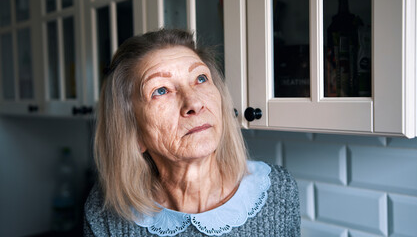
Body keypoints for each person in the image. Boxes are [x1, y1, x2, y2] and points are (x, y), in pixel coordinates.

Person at [84, 29, 300, 236]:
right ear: (133, 131)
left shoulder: (278, 191)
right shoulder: (104, 213)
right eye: (161, 90)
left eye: (201, 78)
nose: (194, 103)